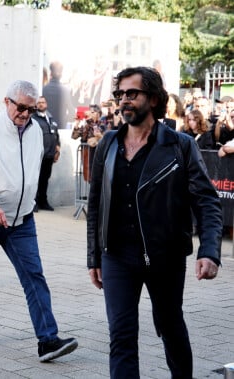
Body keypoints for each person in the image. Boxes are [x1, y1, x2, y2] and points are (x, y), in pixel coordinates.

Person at [86, 66, 222, 379]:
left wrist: (209, 251)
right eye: (119, 94)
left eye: (131, 93)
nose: (123, 101)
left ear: (154, 98)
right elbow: (96, 204)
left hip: (165, 256)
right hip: (116, 256)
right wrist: (94, 256)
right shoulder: (107, 143)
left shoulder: (179, 146)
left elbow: (206, 201)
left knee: (170, 327)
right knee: (121, 336)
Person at [0, 80, 78, 362]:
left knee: (34, 277)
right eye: (21, 107)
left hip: (21, 221)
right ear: (6, 101)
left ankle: (48, 340)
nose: (25, 114)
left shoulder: (35, 131)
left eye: (31, 109)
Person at [32, 96, 60, 211]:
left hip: (49, 155)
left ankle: (43, 202)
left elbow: (56, 135)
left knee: (45, 179)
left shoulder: (50, 118)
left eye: (43, 102)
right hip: (38, 156)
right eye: (38, 103)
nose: (41, 105)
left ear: (46, 104)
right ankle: (33, 203)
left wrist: (57, 149)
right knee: (36, 179)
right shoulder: (33, 119)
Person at [43, 61, 75, 129]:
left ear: (50, 73)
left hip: (45, 129)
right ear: (61, 75)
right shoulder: (65, 91)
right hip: (60, 129)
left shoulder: (43, 89)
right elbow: (72, 114)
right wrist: (63, 120)